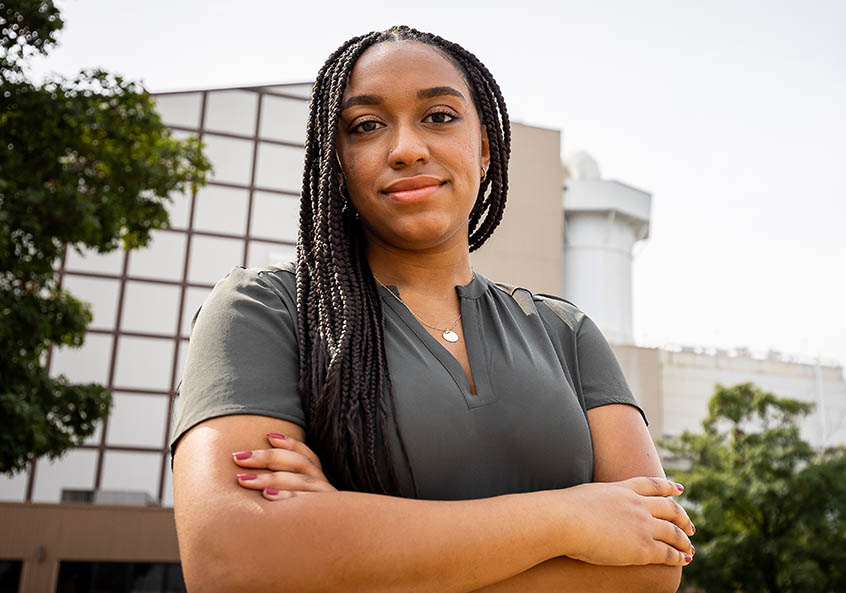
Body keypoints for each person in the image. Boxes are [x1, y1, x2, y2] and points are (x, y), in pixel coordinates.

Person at [169, 25, 694, 593]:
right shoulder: (266, 309)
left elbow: (655, 565)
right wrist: (575, 517)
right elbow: (230, 562)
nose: (406, 149)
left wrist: (339, 543)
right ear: (336, 161)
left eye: (439, 116)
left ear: (485, 147)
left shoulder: (566, 333)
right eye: (366, 126)